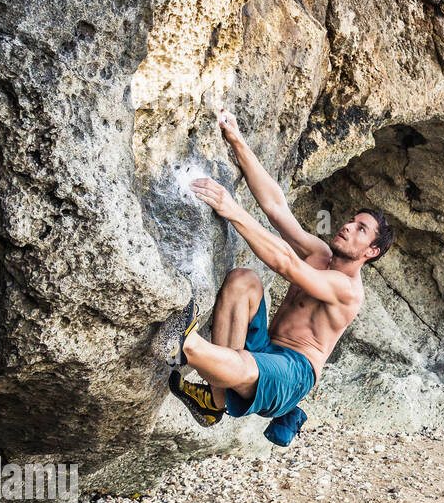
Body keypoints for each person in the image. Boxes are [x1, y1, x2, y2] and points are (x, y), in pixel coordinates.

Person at [160, 111, 393, 445]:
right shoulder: (319, 253)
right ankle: (217, 399)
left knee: (245, 364)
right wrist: (236, 139)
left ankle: (182, 344)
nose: (346, 226)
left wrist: (233, 210)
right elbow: (275, 206)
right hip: (265, 347)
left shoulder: (347, 290)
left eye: (360, 229)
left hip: (293, 373)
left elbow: (287, 264)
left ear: (372, 251)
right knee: (244, 279)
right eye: (351, 220)